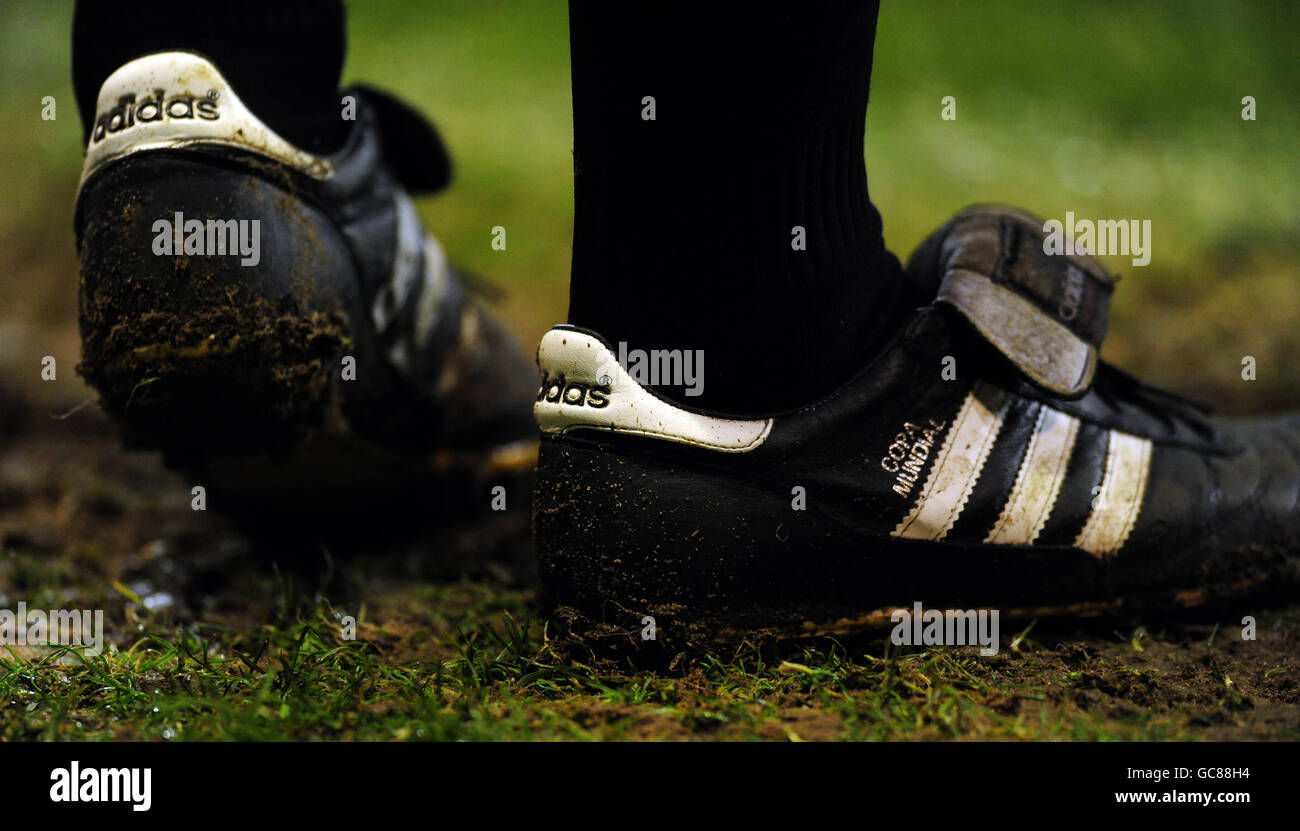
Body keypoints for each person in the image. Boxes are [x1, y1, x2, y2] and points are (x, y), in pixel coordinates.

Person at [71, 2, 1300, 649]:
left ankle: (213, 77)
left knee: (230, 42)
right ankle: (755, 365)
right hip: (751, 433)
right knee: (730, 319)